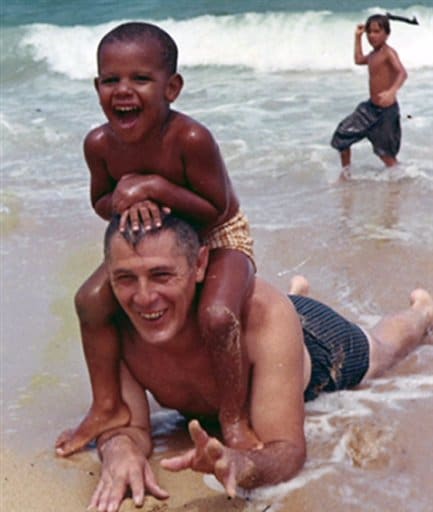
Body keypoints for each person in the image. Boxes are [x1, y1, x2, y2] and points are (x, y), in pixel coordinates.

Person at [87, 213, 432, 512]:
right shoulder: (114, 325)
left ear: (200, 265)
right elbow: (126, 423)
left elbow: (287, 450)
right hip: (267, 328)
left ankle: (420, 312)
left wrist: (243, 463)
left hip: (316, 345)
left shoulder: (262, 317)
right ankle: (296, 292)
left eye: (162, 275)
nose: (144, 298)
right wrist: (119, 450)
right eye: (126, 278)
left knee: (382, 350)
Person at [55, 22, 258, 456]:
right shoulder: (99, 144)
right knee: (90, 301)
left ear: (173, 87)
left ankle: (233, 418)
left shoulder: (190, 138)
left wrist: (153, 187)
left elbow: (216, 208)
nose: (123, 90)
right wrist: (126, 198)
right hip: (152, 243)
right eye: (111, 80)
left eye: (141, 79)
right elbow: (100, 201)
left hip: (219, 236)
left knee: (219, 315)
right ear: (96, 87)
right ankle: (107, 404)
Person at [331, 14, 408, 179]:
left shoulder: (388, 53)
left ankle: (402, 181)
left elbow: (402, 73)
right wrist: (357, 37)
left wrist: (392, 91)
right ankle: (346, 174)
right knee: (342, 134)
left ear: (387, 34)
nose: (372, 36)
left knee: (385, 155)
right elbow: (358, 59)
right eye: (369, 32)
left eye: (377, 32)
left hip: (386, 112)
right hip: (370, 109)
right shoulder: (373, 54)